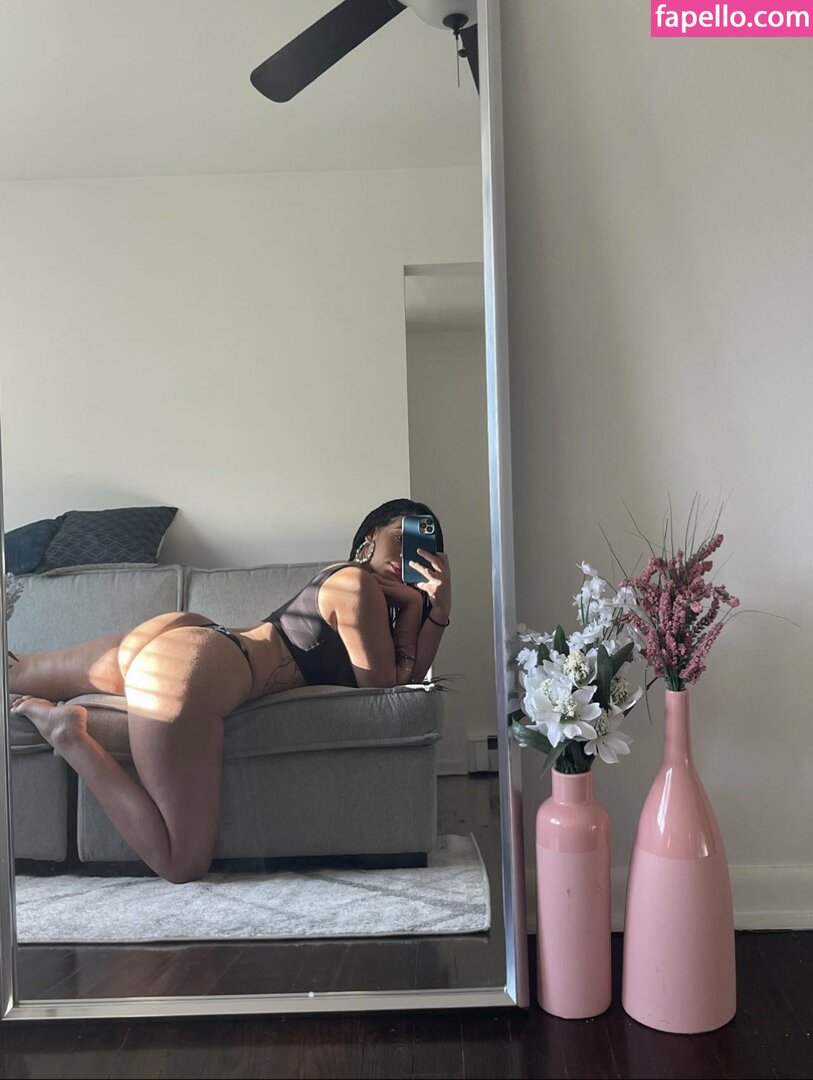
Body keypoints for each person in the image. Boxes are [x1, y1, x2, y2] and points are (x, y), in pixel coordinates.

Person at [9, 498, 451, 884]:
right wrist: (420, 610)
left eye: (421, 549)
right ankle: (69, 734)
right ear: (370, 537)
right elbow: (383, 688)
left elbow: (401, 684)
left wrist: (432, 606)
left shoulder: (353, 588)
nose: (407, 556)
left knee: (18, 669)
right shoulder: (356, 583)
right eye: (401, 538)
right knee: (180, 862)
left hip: (190, 642)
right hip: (194, 665)